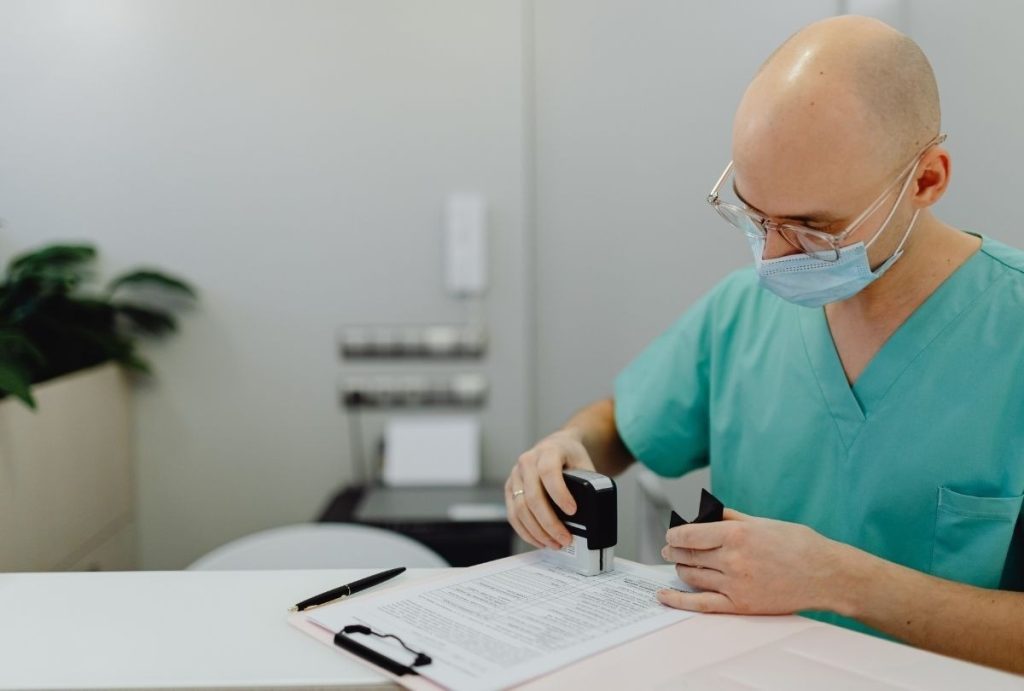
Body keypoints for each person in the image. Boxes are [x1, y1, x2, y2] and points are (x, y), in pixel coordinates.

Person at [504, 15, 1023, 674]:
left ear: (925, 181)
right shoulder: (739, 314)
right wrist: (568, 445)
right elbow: (620, 425)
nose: (772, 258)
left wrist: (842, 579)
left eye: (811, 228)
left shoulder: (1010, 332)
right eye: (755, 216)